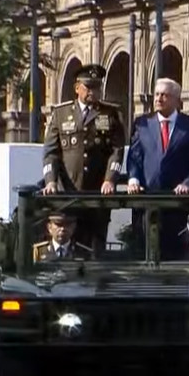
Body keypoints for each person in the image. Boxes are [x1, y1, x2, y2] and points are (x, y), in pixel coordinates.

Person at [41, 63, 127, 252]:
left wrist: (110, 179)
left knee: (95, 246)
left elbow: (117, 151)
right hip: (69, 192)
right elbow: (51, 152)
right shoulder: (61, 113)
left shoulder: (110, 114)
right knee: (70, 246)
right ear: (77, 88)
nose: (92, 92)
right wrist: (50, 181)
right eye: (88, 87)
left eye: (97, 87)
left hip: (97, 192)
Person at [126, 78, 189, 257]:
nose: (158, 99)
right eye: (156, 94)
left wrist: (188, 183)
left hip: (177, 204)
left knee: (174, 256)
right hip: (146, 202)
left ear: (177, 100)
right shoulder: (142, 124)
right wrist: (133, 179)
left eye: (164, 95)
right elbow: (134, 157)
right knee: (143, 254)